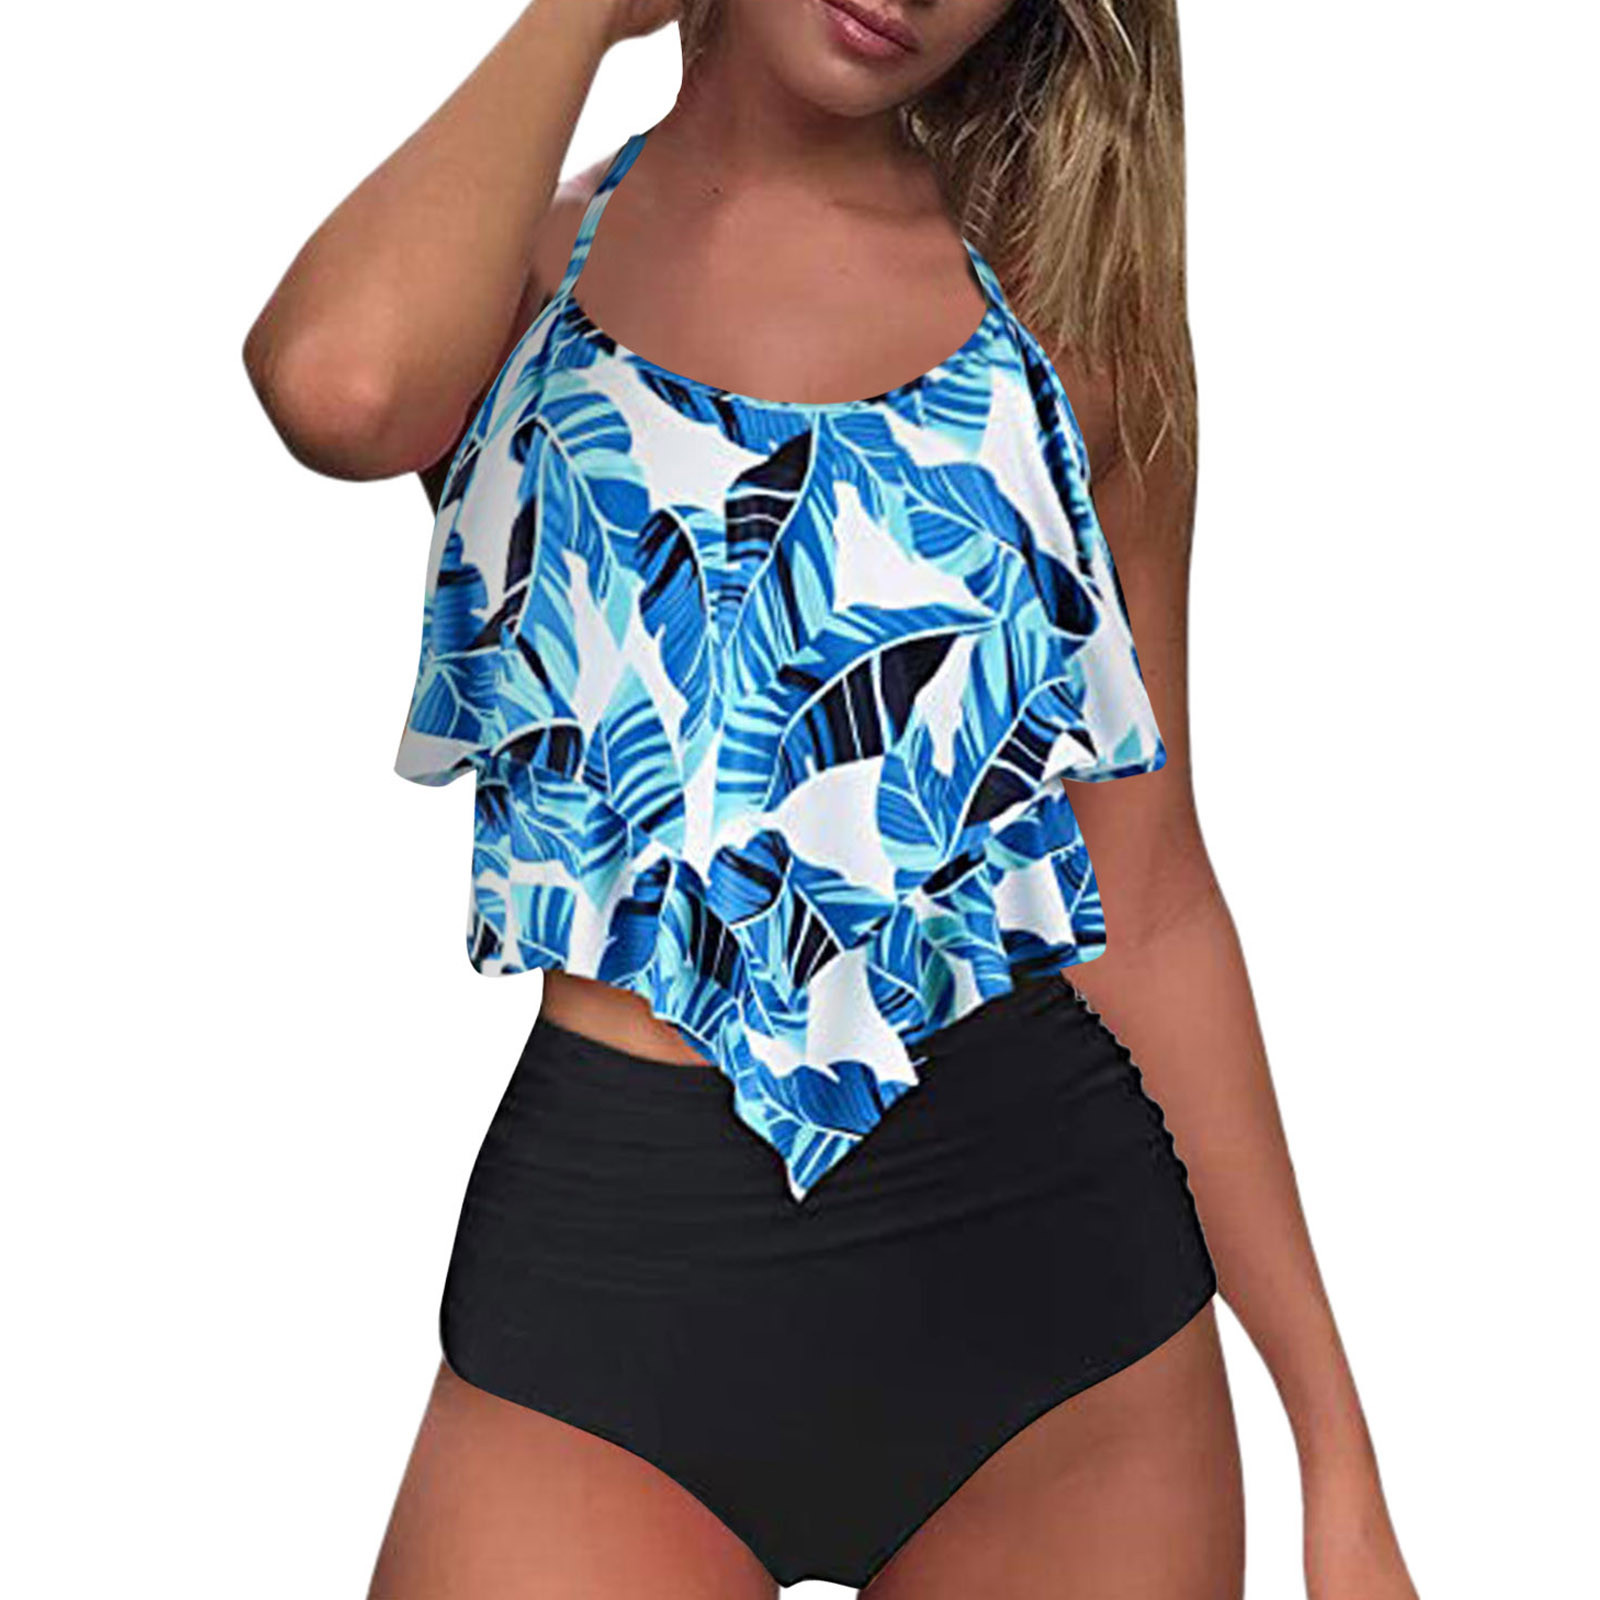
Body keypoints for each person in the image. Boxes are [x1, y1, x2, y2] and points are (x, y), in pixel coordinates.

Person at [243, 2, 1420, 1595]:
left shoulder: (1062, 340)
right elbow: (339, 385)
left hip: (1065, 1344)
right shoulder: (520, 279)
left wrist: (1338, 1456)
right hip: (606, 1305)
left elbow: (1146, 904)